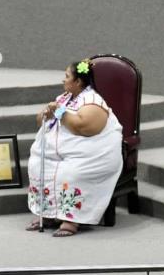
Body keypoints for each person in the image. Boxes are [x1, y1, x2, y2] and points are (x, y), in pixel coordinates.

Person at [25, 59, 123, 237]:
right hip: (57, 154)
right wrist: (46, 113)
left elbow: (84, 128)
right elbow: (41, 121)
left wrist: (59, 112)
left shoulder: (92, 101)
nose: (63, 80)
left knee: (70, 173)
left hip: (89, 156)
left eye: (67, 76)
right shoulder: (63, 98)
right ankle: (47, 214)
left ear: (78, 82)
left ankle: (71, 220)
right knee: (38, 166)